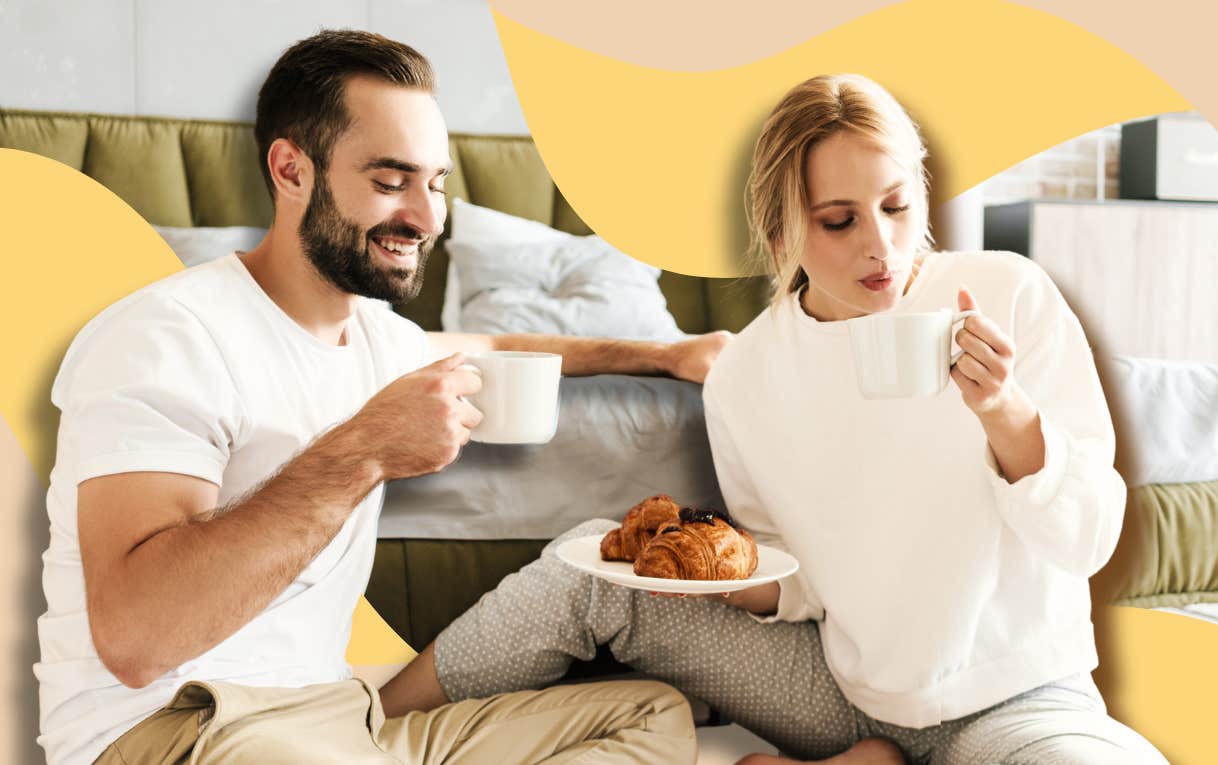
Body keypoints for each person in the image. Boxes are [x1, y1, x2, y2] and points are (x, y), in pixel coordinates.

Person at [382, 75, 1170, 764]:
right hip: (838, 693)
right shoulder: (748, 373)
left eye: (896, 206)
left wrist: (1005, 411)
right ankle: (370, 721)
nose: (881, 247)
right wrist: (714, 575)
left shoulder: (1008, 295)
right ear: (781, 228)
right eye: (839, 220)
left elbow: (1088, 539)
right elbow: (799, 581)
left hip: (1017, 702)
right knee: (585, 568)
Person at [34, 30, 724, 765]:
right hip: (180, 728)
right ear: (291, 169)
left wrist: (666, 354)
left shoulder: (376, 338)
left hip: (337, 716)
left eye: (435, 183)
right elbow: (136, 640)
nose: (427, 220)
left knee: (653, 714)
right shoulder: (166, 336)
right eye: (392, 182)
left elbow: (490, 347)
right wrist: (363, 449)